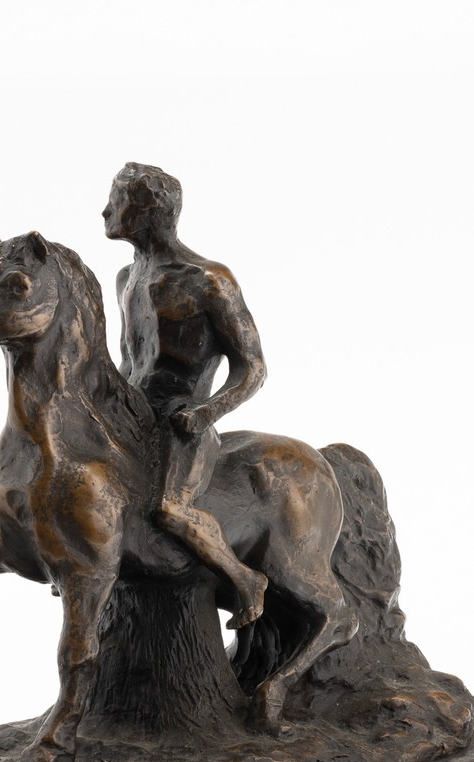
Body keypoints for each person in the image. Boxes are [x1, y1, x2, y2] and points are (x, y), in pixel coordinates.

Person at [103, 163, 269, 628]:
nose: (105, 212)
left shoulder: (208, 280)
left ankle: (246, 580)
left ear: (146, 212)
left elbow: (254, 367)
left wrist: (206, 412)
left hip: (182, 421)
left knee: (170, 508)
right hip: (132, 415)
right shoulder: (126, 278)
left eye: (116, 203)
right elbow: (129, 361)